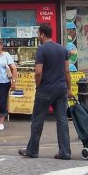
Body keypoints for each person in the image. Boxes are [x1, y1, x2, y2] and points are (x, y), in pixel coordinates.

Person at [18, 23, 74, 160]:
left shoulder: (41, 50)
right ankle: (65, 152)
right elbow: (67, 71)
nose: (38, 36)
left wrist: (38, 86)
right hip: (61, 89)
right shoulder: (62, 50)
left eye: (38, 34)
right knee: (62, 121)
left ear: (42, 34)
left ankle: (32, 151)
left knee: (37, 120)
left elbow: (38, 72)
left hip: (45, 89)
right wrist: (69, 89)